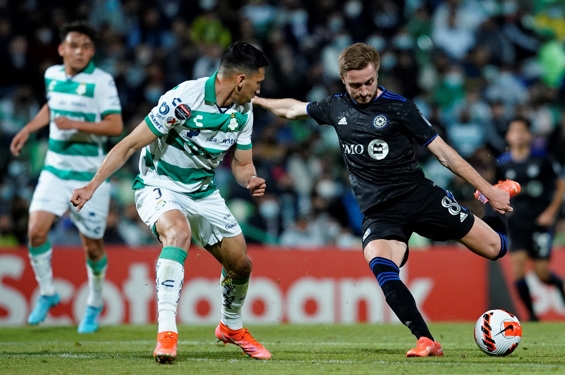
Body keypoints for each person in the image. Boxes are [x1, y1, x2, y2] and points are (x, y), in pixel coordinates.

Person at [252, 42, 519, 357]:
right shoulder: (335, 107)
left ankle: (496, 198)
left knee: (496, 248)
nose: (364, 91)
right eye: (355, 85)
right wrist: (254, 99)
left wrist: (489, 190)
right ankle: (426, 340)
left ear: (376, 73)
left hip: (419, 196)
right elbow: (292, 109)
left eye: (369, 82)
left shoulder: (400, 107)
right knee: (380, 262)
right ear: (342, 80)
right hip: (379, 212)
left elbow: (444, 154)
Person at [70, 41, 271, 363]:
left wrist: (250, 179)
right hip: (158, 185)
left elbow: (242, 163)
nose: (260, 91)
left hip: (203, 191)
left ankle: (231, 327)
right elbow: (130, 143)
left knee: (241, 265)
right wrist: (93, 185)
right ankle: (167, 333)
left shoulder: (243, 111)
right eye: (258, 83)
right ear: (240, 80)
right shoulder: (183, 99)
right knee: (178, 234)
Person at [9, 21, 123, 333]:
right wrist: (29, 128)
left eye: (86, 46)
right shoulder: (52, 75)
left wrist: (77, 124)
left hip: (90, 177)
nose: (79, 51)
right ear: (62, 49)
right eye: (73, 45)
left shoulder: (102, 82)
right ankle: (48, 292)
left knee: (93, 248)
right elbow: (52, 106)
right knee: (35, 232)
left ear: (92, 51)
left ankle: (94, 303)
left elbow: (115, 126)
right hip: (55, 171)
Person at [494, 117, 565, 321]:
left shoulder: (543, 159)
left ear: (529, 135)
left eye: (522, 130)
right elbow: (496, 189)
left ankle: (559, 285)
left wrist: (551, 213)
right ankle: (532, 316)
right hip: (516, 223)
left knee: (542, 273)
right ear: (508, 136)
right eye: (514, 130)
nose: (518, 134)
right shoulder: (503, 163)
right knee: (518, 270)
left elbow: (560, 186)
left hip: (540, 222)